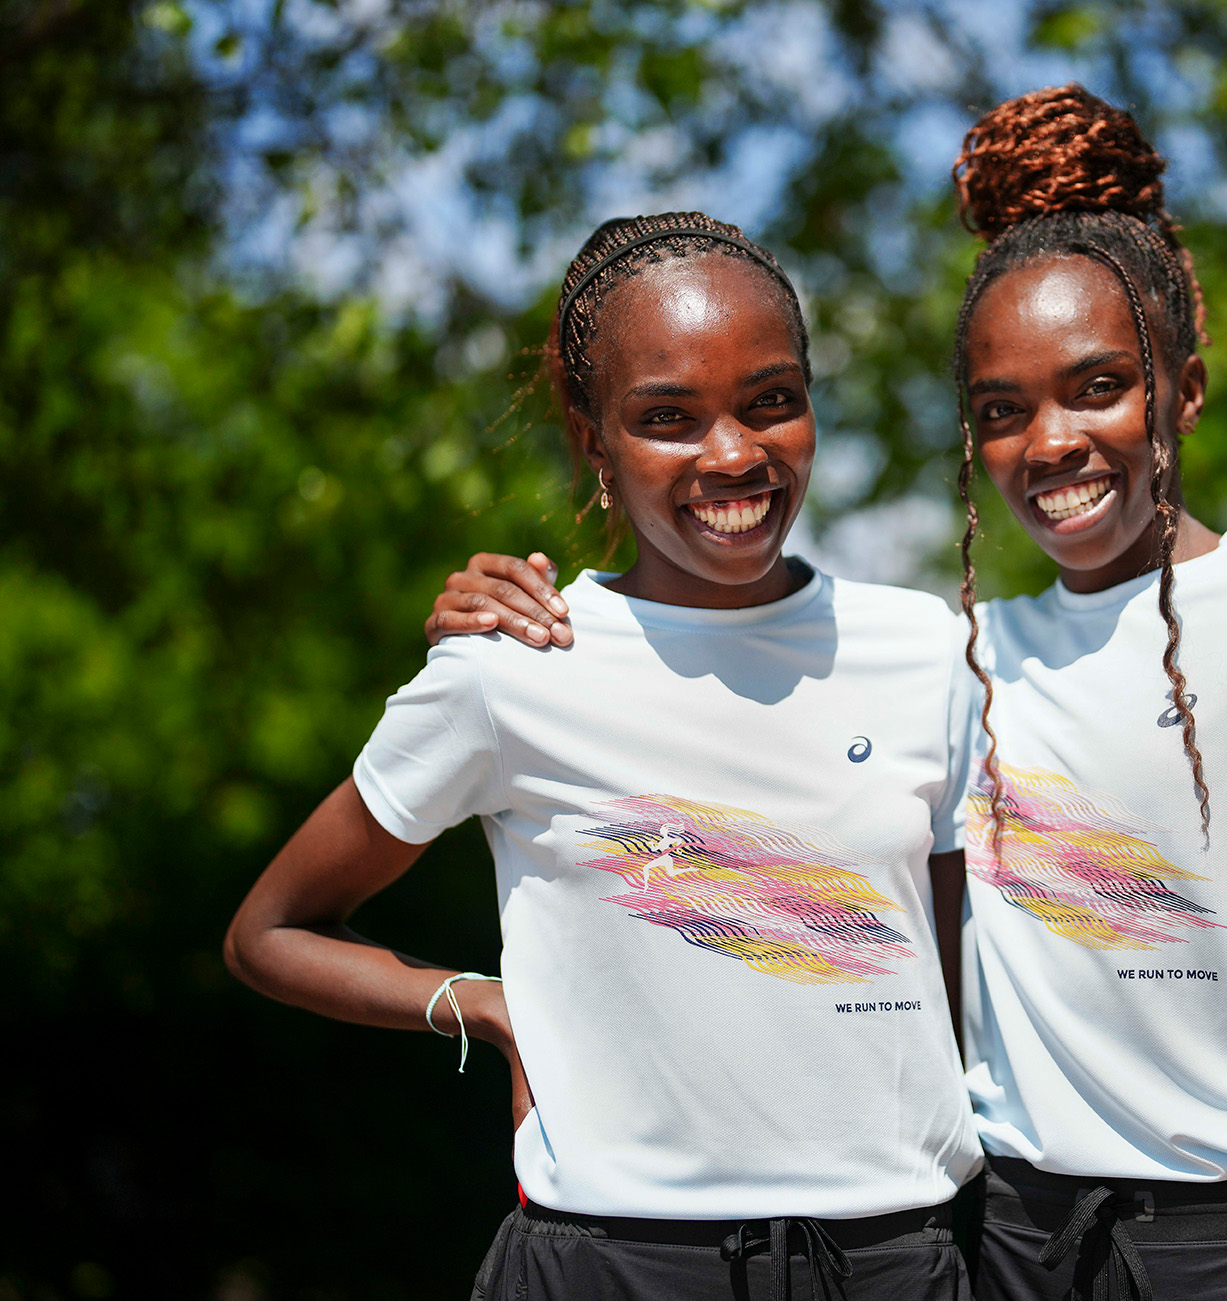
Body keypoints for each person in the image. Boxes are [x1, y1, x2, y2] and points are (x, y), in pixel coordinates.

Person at [434, 85, 1227, 1300]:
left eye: (1097, 385)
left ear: (1181, 392)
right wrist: (502, 620)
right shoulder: (952, 660)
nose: (1050, 441)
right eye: (1002, 409)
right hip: (1016, 1250)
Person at [225, 212, 985, 1300]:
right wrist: (477, 1003)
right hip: (608, 1264)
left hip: (898, 1262)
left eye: (772, 400)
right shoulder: (512, 668)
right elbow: (270, 932)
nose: (732, 454)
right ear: (592, 439)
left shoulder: (924, 647)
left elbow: (969, 961)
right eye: (667, 418)